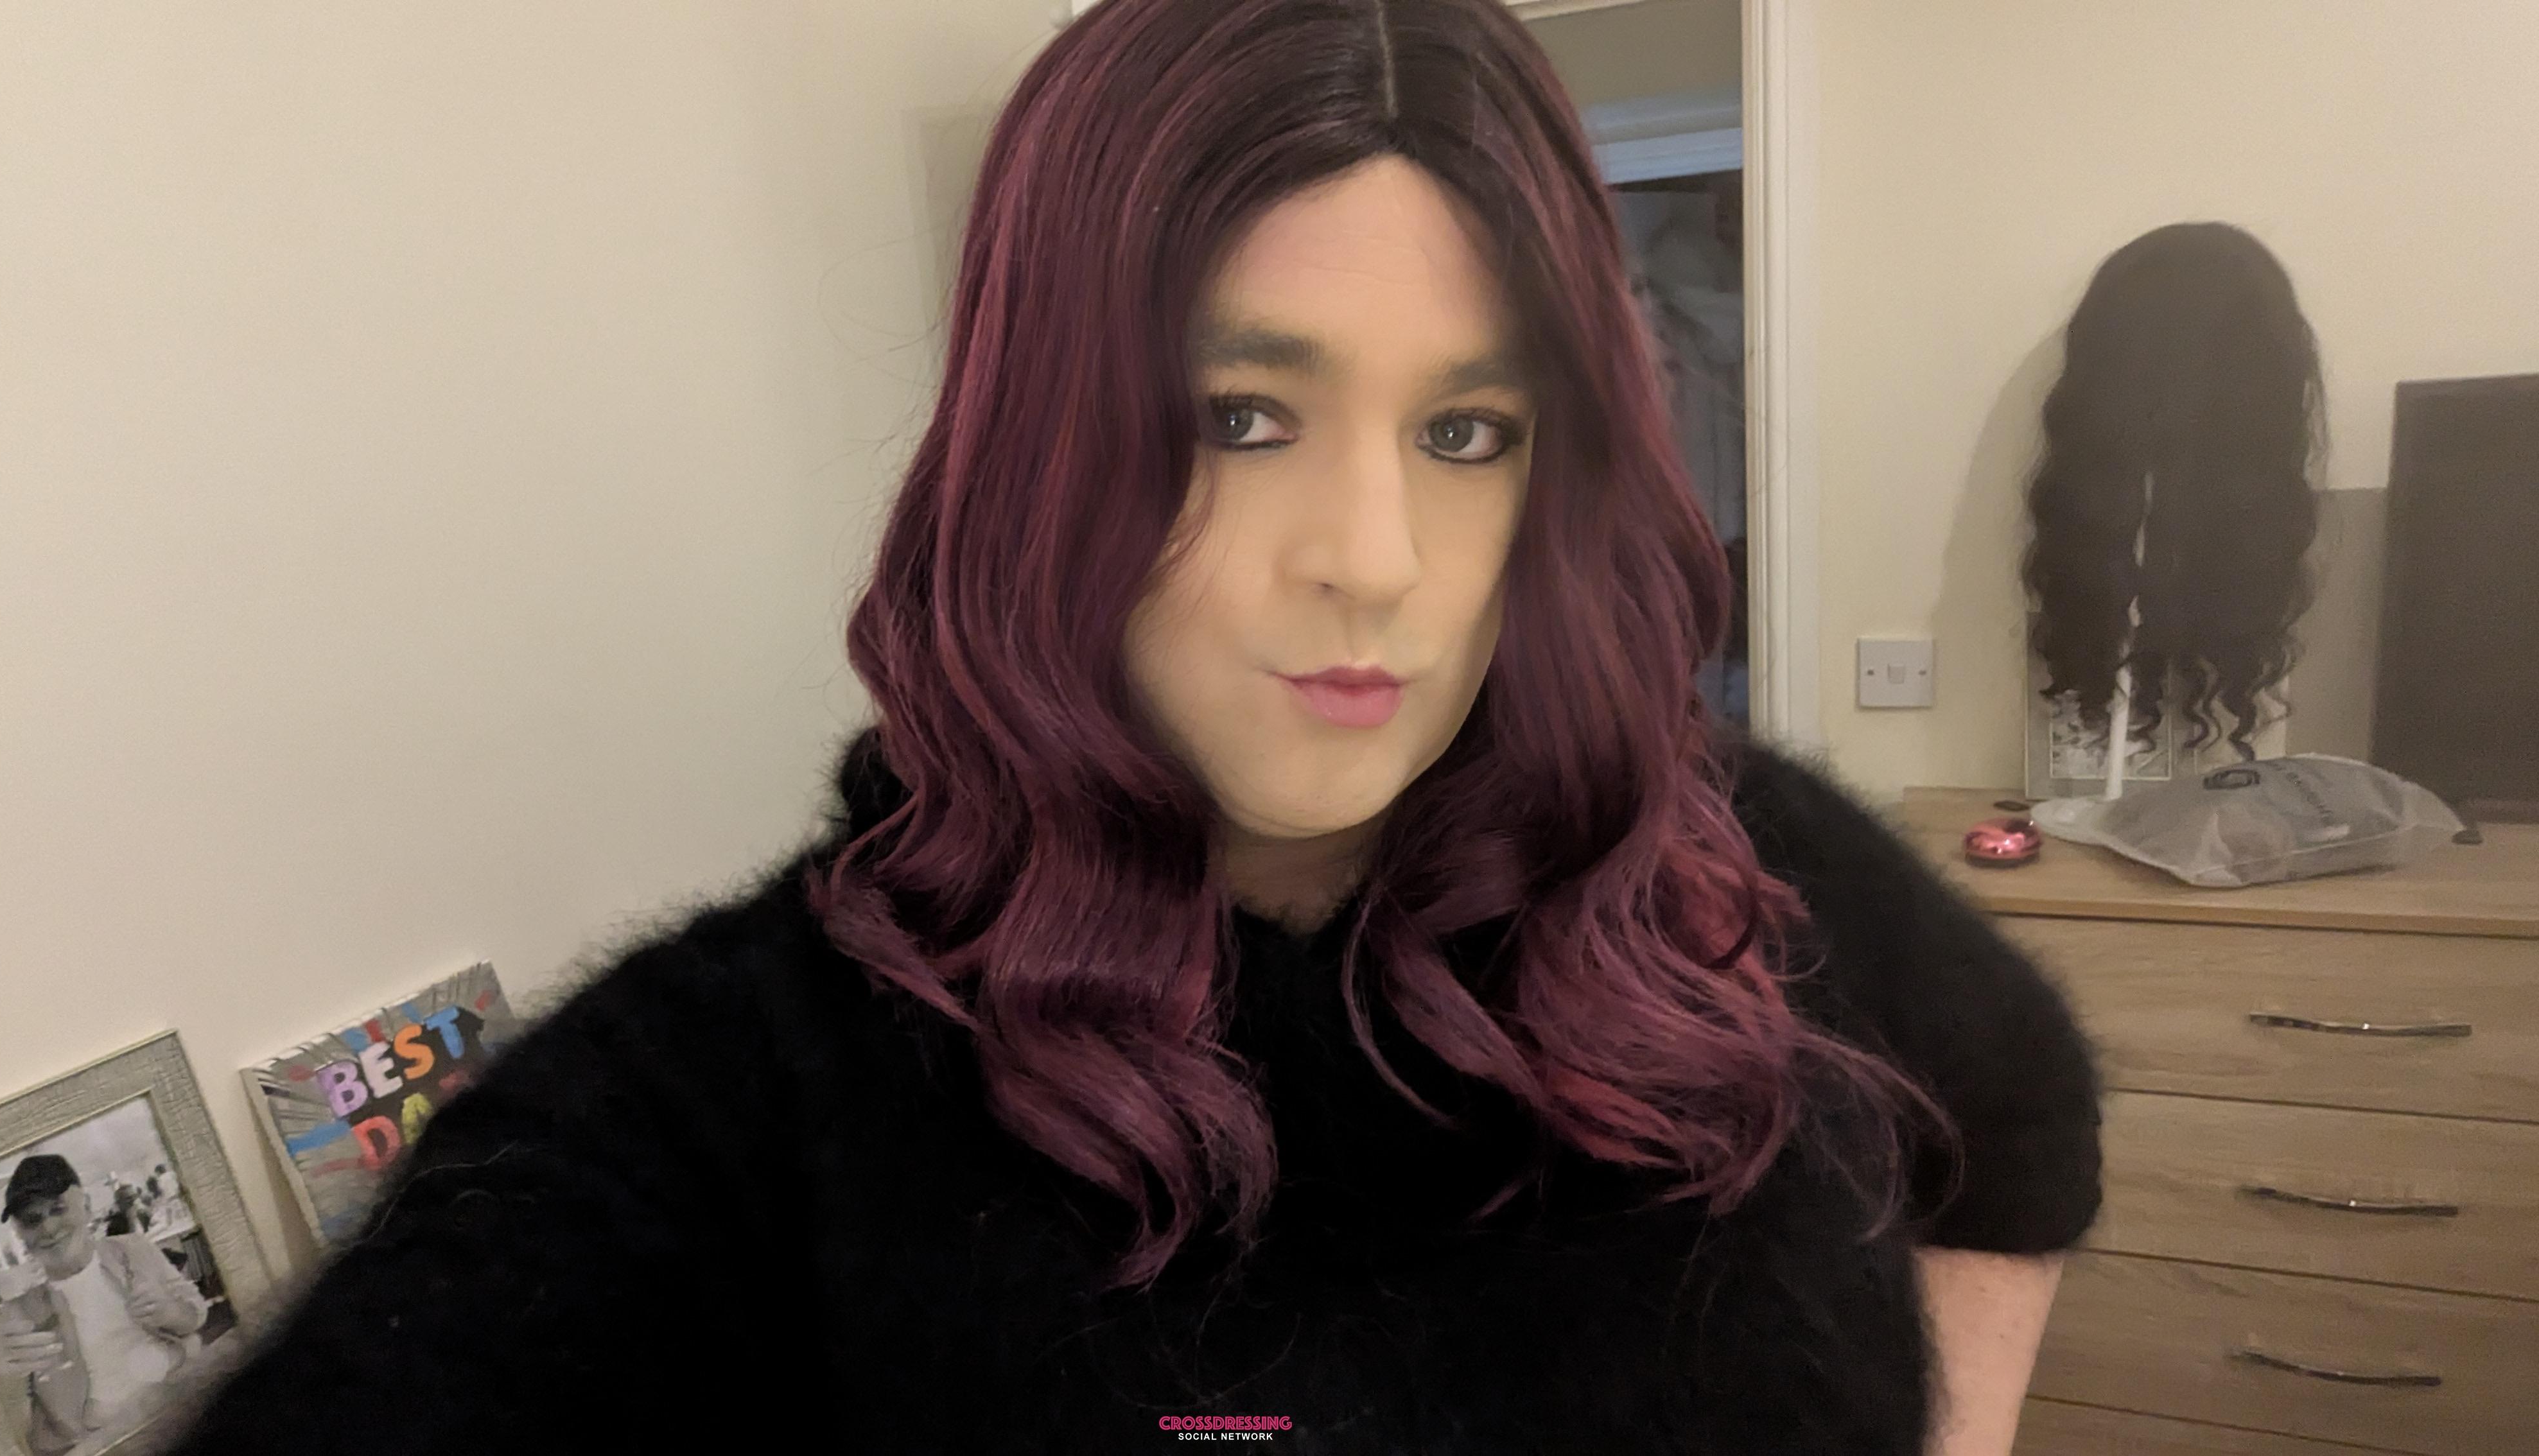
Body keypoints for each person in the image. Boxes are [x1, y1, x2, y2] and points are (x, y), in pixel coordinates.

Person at [161, 1, 2099, 1452]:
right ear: (1041, 455)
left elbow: (2023, 1115)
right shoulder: (758, 1093)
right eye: (1241, 418)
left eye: (1466, 430)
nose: (1374, 559)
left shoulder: (1716, 863)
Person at [0, 1156, 211, 1453]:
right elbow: (13, 1428)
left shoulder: (133, 1249)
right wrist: (5, 1381)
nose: (49, 1228)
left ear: (87, 1205)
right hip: (102, 1441)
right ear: (19, 1233)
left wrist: (170, 1311)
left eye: (58, 1209)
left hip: (177, 1398)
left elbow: (196, 1314)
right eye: (32, 1220)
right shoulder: (18, 1312)